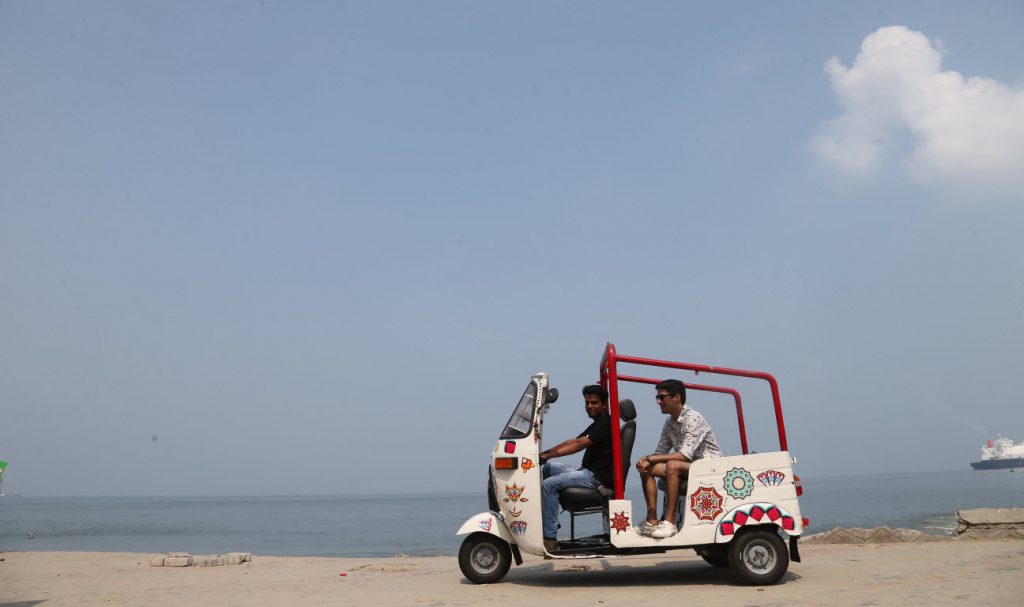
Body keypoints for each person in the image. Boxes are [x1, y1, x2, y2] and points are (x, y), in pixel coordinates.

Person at [635, 379, 722, 539]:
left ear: (676, 397)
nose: (658, 401)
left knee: (673, 465)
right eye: (657, 398)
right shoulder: (669, 423)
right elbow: (659, 452)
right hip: (690, 467)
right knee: (646, 466)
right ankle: (652, 521)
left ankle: (670, 523)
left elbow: (684, 455)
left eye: (662, 397)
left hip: (709, 468)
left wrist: (651, 457)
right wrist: (646, 460)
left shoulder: (694, 418)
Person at [538, 384, 614, 551]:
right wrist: (545, 453)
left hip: (595, 478)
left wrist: (548, 455)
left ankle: (549, 537)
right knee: (549, 468)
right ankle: (549, 516)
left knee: (548, 485)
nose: (589, 406)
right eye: (587, 403)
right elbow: (572, 441)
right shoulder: (597, 422)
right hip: (585, 471)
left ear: (604, 404)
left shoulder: (605, 424)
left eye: (594, 403)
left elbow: (579, 445)